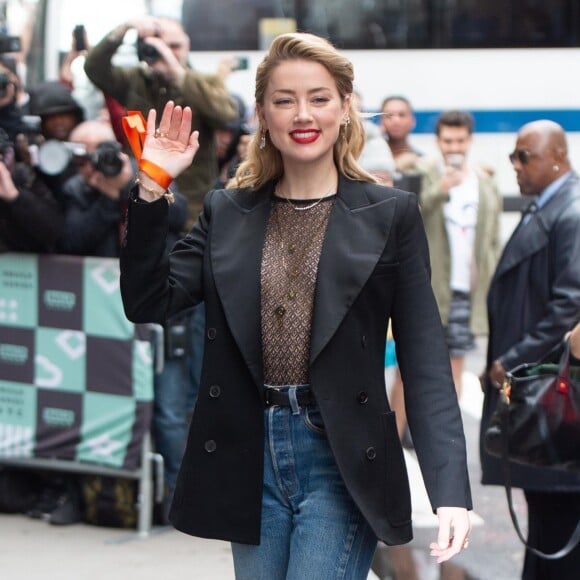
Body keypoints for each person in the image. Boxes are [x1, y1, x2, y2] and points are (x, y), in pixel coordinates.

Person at [119, 32, 471, 579]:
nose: (302, 114)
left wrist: (448, 489)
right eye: (284, 100)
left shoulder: (390, 214)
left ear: (345, 107)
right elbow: (147, 299)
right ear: (262, 113)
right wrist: (150, 186)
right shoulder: (227, 211)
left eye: (319, 97)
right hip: (248, 453)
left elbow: (425, 356)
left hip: (339, 455)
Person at [480, 119, 580, 579]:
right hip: (542, 388)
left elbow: (569, 304)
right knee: (544, 514)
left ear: (557, 157)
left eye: (525, 156)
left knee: (556, 513)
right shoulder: (549, 205)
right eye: (513, 155)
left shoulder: (572, 210)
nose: (515, 165)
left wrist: (514, 361)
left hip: (552, 391)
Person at [83, 15, 239, 225]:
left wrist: (179, 76)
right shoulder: (134, 81)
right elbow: (94, 68)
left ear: (187, 45)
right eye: (159, 47)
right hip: (141, 202)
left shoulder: (205, 82)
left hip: (191, 209)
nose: (167, 53)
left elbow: (227, 115)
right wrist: (125, 28)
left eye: (174, 46)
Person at [421, 110, 502, 398]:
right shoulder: (426, 175)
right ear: (437, 141)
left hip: (467, 290)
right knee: (417, 367)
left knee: (455, 365)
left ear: (470, 141)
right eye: (448, 141)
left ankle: (449, 436)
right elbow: (411, 219)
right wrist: (438, 190)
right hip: (430, 288)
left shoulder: (484, 182)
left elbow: (493, 239)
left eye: (459, 141)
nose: (454, 148)